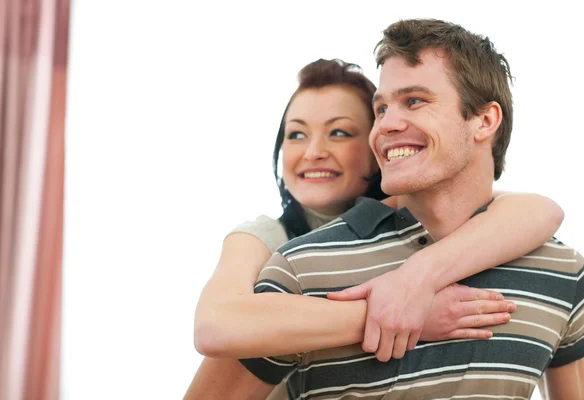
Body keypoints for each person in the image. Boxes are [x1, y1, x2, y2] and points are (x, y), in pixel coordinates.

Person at [222, 19, 584, 399]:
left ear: (485, 120)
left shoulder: (562, 270)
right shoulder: (301, 268)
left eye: (414, 101)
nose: (387, 126)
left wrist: (416, 278)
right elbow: (216, 334)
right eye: (380, 109)